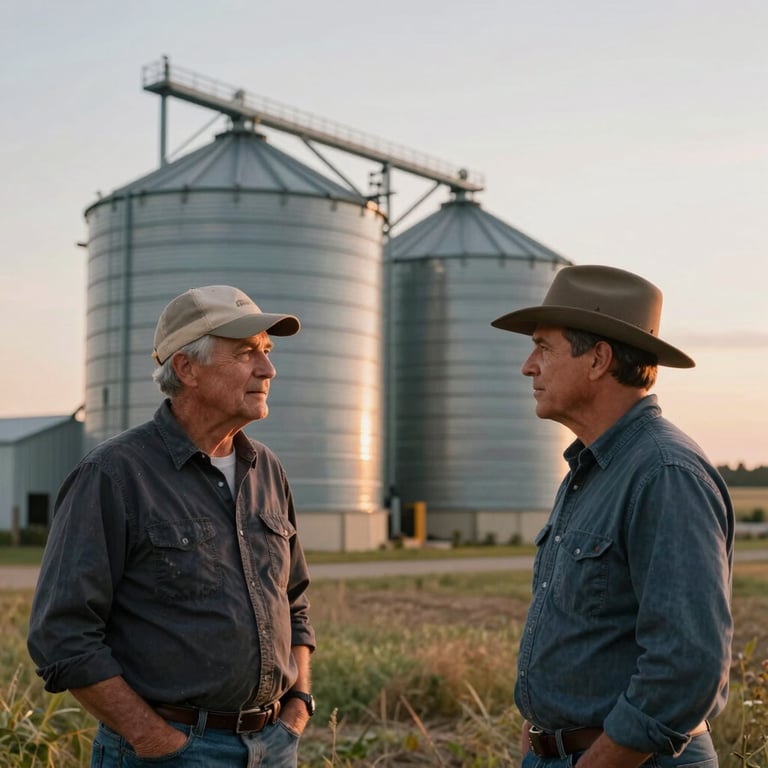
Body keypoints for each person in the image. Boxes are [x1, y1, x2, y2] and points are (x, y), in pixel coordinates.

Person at [28, 285, 317, 768]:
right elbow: (62, 634)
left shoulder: (265, 469)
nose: (268, 369)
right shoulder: (114, 475)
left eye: (266, 352)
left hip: (273, 745)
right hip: (172, 750)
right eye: (247, 353)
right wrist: (154, 738)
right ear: (186, 368)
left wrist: (297, 708)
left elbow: (295, 601)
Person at [491, 265, 734, 768]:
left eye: (543, 347)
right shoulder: (592, 467)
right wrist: (540, 734)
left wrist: (596, 761)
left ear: (598, 358)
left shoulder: (664, 473)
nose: (527, 366)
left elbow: (687, 665)